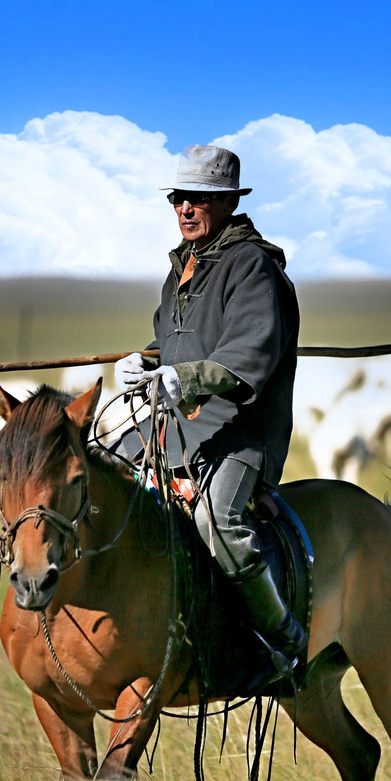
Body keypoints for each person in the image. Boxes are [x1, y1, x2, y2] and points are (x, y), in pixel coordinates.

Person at [114, 145, 307, 689]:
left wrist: (182, 379)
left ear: (227, 203)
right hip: (177, 422)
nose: (185, 209)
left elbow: (252, 353)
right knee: (98, 472)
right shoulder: (180, 268)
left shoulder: (255, 268)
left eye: (200, 199)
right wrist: (145, 361)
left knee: (216, 521)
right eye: (179, 199)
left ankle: (285, 641)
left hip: (240, 428)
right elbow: (173, 346)